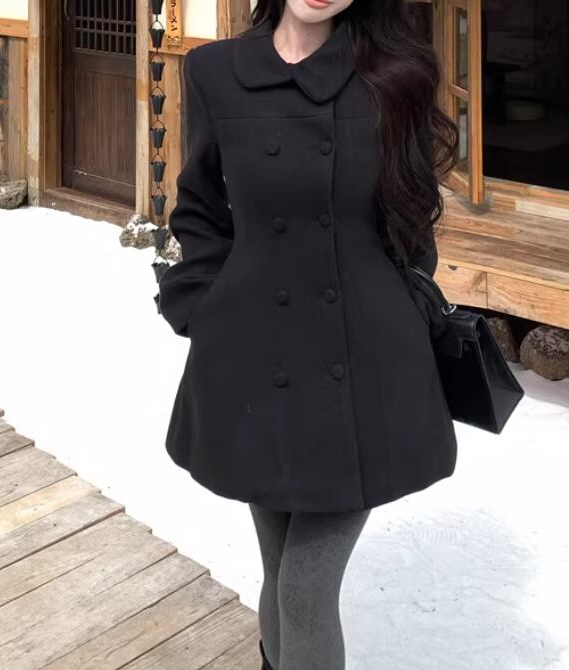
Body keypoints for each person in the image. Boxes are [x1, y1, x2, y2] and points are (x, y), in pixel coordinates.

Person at [157, 0, 459, 668]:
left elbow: (414, 215)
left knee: (304, 588)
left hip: (364, 360)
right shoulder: (215, 71)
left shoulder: (394, 72)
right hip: (253, 353)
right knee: (277, 572)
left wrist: (407, 308)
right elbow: (200, 206)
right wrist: (202, 303)